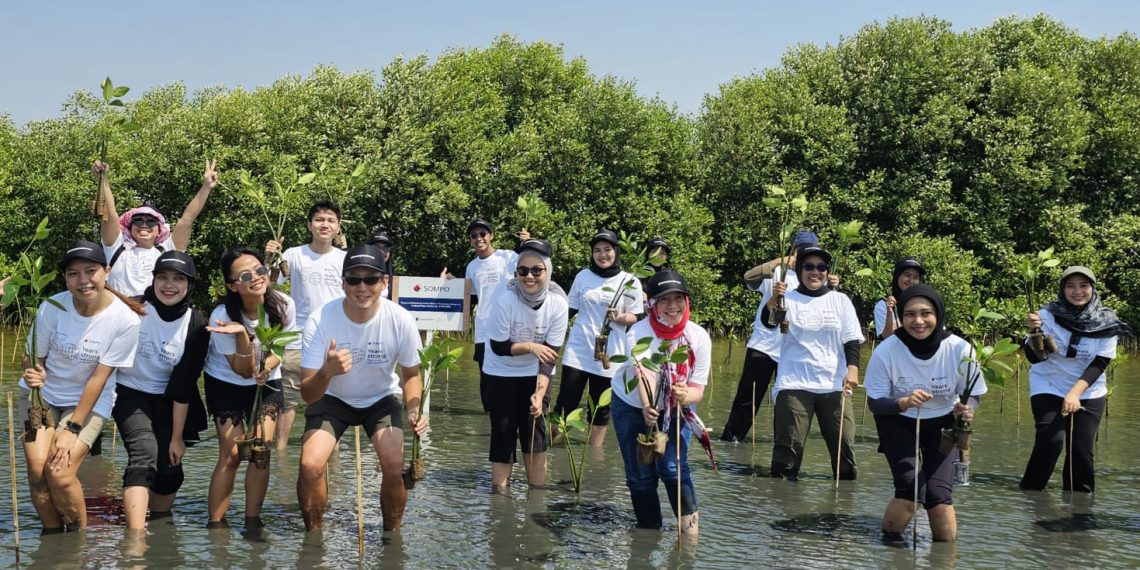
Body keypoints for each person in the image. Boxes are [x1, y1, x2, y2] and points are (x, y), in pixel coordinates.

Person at [296, 244, 427, 531]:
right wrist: (327, 372)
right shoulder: (321, 320)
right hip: (332, 399)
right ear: (343, 283)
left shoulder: (400, 319)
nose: (362, 287)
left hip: (380, 398)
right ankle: (314, 537)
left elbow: (411, 374)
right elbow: (308, 394)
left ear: (385, 282)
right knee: (310, 465)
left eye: (371, 279)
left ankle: (392, 538)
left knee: (394, 466)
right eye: (354, 279)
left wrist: (414, 407)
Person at [19, 240, 142, 531]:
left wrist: (72, 429)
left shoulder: (126, 320)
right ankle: (52, 537)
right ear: (65, 278)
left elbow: (99, 378)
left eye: (91, 271)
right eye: (73, 273)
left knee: (59, 474)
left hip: (89, 400)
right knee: (38, 472)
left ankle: (76, 542)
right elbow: (32, 358)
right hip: (43, 395)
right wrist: (33, 373)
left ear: (106, 272)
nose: (83, 280)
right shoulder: (53, 306)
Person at [865, 284, 982, 541]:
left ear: (938, 315)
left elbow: (974, 394)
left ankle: (945, 559)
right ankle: (888, 548)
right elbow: (875, 402)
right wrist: (904, 402)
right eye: (909, 314)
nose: (918, 321)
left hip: (943, 423)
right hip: (897, 420)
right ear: (901, 317)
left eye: (926, 313)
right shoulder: (886, 350)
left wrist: (968, 409)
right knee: (911, 490)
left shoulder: (961, 349)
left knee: (939, 498)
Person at [112, 251, 209, 529]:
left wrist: (177, 438)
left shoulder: (196, 325)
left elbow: (183, 386)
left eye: (179, 279)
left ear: (190, 285)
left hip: (170, 398)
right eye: (162, 277)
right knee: (144, 454)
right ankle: (135, 540)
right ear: (153, 280)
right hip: (129, 392)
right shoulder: (134, 308)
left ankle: (160, 530)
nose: (169, 285)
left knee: (169, 470)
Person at [611, 270, 712, 534]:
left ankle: (689, 535)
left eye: (678, 298)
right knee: (640, 477)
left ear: (687, 301)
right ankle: (648, 534)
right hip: (632, 406)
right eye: (664, 300)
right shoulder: (639, 331)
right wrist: (648, 407)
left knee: (673, 469)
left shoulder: (698, 336)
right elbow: (644, 373)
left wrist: (684, 396)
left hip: (678, 409)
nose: (672, 306)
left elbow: (698, 390)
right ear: (651, 305)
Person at [202, 247, 297, 529]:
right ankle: (216, 524)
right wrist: (243, 334)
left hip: (266, 380)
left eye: (259, 270)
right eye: (245, 275)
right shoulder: (221, 315)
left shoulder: (283, 304)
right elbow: (241, 370)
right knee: (231, 455)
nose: (256, 277)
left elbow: (279, 348)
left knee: (260, 450)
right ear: (233, 286)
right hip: (226, 382)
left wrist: (266, 368)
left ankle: (252, 521)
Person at [1019, 266, 1131, 494]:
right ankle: (1030, 496)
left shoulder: (1107, 321)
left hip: (1089, 390)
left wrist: (1074, 393)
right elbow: (1035, 359)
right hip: (1048, 383)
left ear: (1093, 288)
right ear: (1062, 290)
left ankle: (1080, 509)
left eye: (1083, 285)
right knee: (1052, 440)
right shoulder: (1047, 315)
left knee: (1081, 451)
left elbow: (1100, 363)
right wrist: (1034, 333)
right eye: (1070, 286)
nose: (1077, 291)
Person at [763, 246, 864, 480]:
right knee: (787, 454)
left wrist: (853, 370)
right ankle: (783, 505)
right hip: (794, 384)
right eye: (808, 267)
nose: (815, 272)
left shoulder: (841, 300)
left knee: (845, 453)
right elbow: (769, 324)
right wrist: (773, 298)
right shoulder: (786, 298)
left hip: (835, 385)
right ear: (799, 270)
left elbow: (852, 340)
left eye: (821, 267)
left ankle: (842, 511)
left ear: (827, 272)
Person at [482, 239, 568, 492]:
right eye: (523, 271)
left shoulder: (558, 303)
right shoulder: (504, 298)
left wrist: (540, 394)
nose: (529, 277)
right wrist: (531, 346)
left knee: (535, 433)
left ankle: (537, 494)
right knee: (503, 431)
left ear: (547, 272)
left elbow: (550, 355)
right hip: (499, 370)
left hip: (535, 372)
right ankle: (499, 497)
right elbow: (499, 346)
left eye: (536, 271)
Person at [720, 230, 819, 442]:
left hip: (793, 352)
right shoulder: (776, 271)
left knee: (786, 404)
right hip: (764, 347)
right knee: (747, 401)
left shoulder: (815, 276)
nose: (803, 256)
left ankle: (782, 446)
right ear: (792, 251)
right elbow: (748, 277)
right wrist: (778, 262)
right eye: (799, 251)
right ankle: (730, 442)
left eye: (810, 252)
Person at [265, 200, 347, 450]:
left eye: (331, 220)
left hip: (334, 338)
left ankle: (327, 449)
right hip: (297, 335)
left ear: (338, 227)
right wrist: (269, 258)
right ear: (309, 225)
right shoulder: (292, 254)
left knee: (331, 398)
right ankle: (280, 453)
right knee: (288, 398)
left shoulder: (345, 258)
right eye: (319, 220)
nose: (325, 225)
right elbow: (270, 287)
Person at [553, 229, 643, 446]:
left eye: (607, 249)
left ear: (617, 251)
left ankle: (594, 454)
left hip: (610, 355)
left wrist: (621, 317)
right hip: (579, 349)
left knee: (601, 409)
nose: (602, 255)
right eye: (597, 250)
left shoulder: (630, 281)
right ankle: (551, 447)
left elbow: (638, 315)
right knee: (566, 402)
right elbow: (569, 310)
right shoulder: (582, 276)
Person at [94, 159, 217, 298]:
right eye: (138, 220)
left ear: (160, 229)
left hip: (154, 316)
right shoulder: (116, 247)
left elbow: (187, 220)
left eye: (151, 221)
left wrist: (206, 186)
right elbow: (110, 213)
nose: (144, 224)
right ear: (130, 226)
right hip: (120, 315)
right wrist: (103, 180)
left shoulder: (167, 250)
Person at [452, 219, 519, 412]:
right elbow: (468, 293)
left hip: (508, 326)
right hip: (483, 329)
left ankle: (510, 412)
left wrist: (526, 243)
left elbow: (528, 272)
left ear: (491, 236)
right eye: (474, 236)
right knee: (485, 377)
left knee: (509, 371)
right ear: (470, 241)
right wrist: (450, 283)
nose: (479, 238)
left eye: (483, 234)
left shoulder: (509, 257)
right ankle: (489, 417)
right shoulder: (471, 267)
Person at [874, 257, 926, 340]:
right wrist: (890, 312)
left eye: (916, 277)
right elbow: (886, 337)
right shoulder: (883, 304)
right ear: (897, 276)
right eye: (907, 275)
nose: (911, 281)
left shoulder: (925, 303)